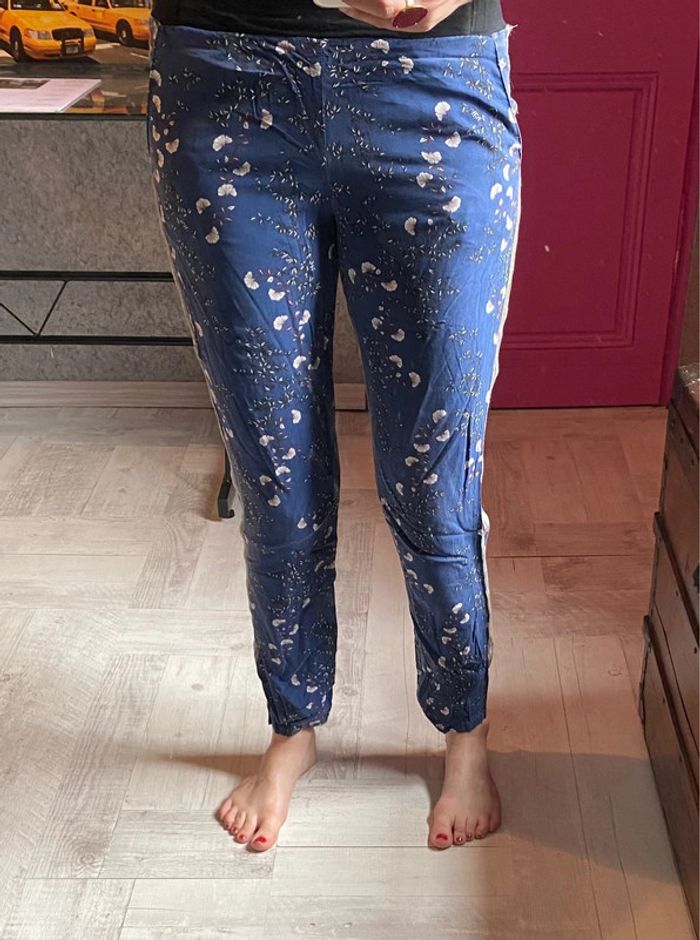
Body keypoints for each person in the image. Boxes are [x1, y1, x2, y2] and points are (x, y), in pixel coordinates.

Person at [146, 0, 523, 853]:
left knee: (435, 477)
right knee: (274, 474)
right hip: (225, 78)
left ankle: (465, 729)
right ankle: (292, 727)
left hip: (432, 85)